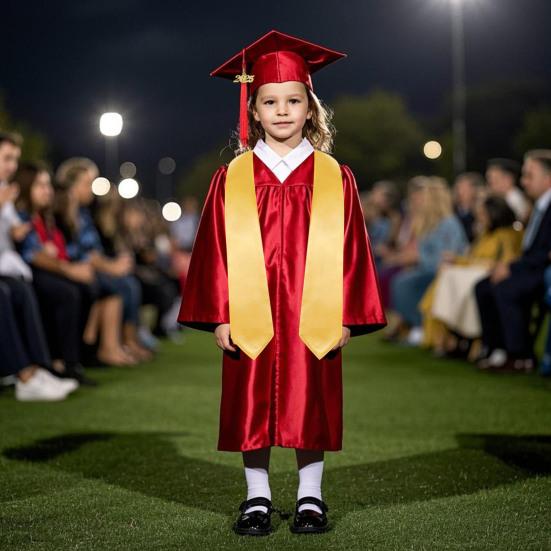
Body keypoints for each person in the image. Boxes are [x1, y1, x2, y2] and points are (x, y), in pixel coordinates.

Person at [177, 30, 386, 536]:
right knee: (251, 401)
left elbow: (353, 249)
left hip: (313, 314)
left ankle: (311, 496)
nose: (282, 111)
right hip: (251, 315)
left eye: (293, 100)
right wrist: (219, 314)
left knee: (310, 400)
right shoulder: (233, 176)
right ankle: (257, 497)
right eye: (270, 102)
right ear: (253, 110)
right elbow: (214, 249)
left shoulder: (334, 176)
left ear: (311, 108)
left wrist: (348, 316)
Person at [475, 150, 551, 373]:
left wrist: (511, 267)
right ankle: (496, 348)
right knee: (483, 287)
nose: (523, 181)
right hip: (530, 267)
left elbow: (544, 254)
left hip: (541, 271)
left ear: (548, 178)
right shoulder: (538, 205)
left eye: (529, 175)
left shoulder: (544, 206)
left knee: (506, 288)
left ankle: (519, 354)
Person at [420, 195, 522, 357]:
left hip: (488, 273)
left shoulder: (507, 235)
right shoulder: (486, 233)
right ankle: (452, 334)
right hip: (474, 270)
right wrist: (457, 260)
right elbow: (473, 257)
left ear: (494, 214)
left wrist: (466, 262)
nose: (479, 218)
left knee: (459, 281)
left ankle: (465, 337)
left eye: (482, 214)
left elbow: (506, 262)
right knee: (447, 274)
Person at [387, 177, 468, 345]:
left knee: (404, 283)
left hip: (443, 273)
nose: (417, 202)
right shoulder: (429, 224)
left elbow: (447, 256)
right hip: (428, 269)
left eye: (421, 198)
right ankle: (415, 325)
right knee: (400, 280)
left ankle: (419, 326)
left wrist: (418, 258)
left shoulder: (448, 224)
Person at [486, 158, 530, 222]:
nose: (489, 186)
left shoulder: (514, 200)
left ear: (508, 179)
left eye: (494, 181)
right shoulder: (505, 198)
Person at [453, 172, 485, 243]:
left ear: (475, 190)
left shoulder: (481, 213)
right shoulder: (452, 211)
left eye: (464, 188)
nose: (460, 192)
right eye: (458, 187)